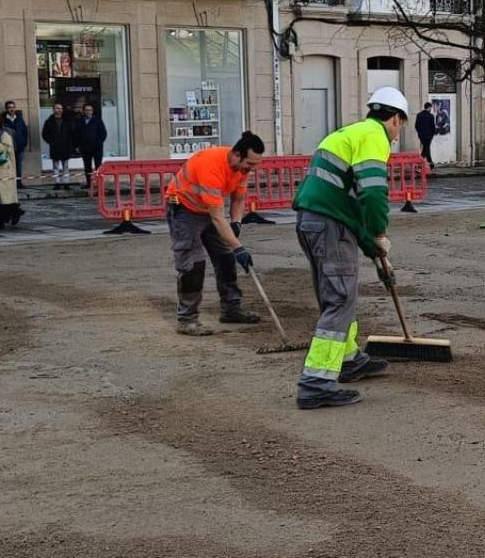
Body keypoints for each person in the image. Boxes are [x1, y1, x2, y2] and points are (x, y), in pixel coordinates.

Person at [291, 87, 407, 409]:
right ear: (396, 119)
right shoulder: (374, 136)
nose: (397, 136)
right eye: (401, 126)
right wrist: (380, 232)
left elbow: (349, 202)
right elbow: (372, 194)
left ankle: (349, 358)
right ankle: (316, 383)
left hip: (314, 220)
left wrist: (372, 247)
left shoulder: (349, 133)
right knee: (340, 298)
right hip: (330, 225)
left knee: (336, 294)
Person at [164, 132, 265, 336]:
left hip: (207, 209)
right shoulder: (211, 166)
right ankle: (187, 320)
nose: (252, 169)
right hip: (183, 207)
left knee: (226, 258)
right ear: (237, 155)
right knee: (193, 264)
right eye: (250, 164)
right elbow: (217, 217)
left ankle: (231, 309)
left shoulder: (241, 169)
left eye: (256, 165)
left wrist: (236, 223)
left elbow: (238, 199)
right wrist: (239, 247)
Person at [42, 103, 78, 189]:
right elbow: (45, 134)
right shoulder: (49, 121)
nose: (59, 110)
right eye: (57, 108)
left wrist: (71, 144)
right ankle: (57, 183)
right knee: (55, 166)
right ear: (53, 109)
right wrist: (51, 142)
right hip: (55, 147)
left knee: (66, 166)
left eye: (61, 108)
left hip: (65, 147)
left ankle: (66, 183)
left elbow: (72, 133)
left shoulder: (67, 120)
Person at [76, 102, 108, 189]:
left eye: (90, 110)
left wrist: (98, 142)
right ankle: (89, 184)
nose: (88, 112)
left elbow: (103, 133)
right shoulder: (80, 121)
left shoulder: (97, 120)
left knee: (98, 166)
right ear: (83, 111)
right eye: (86, 110)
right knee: (87, 167)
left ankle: (99, 184)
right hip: (85, 148)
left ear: (92, 111)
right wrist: (78, 145)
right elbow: (77, 134)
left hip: (97, 148)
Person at [2, 100, 30, 185]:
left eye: (13, 107)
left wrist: (24, 142)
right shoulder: (3, 120)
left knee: (18, 165)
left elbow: (25, 131)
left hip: (19, 146)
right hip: (8, 147)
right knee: (9, 165)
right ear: (6, 109)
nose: (12, 109)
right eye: (9, 107)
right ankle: (10, 183)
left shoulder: (19, 118)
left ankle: (19, 183)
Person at [414, 102, 436, 168]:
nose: (431, 109)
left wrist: (420, 134)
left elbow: (416, 126)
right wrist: (432, 135)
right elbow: (433, 127)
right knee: (426, 149)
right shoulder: (431, 116)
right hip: (429, 136)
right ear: (429, 107)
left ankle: (421, 165)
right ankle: (429, 163)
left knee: (425, 149)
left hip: (422, 136)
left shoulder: (419, 115)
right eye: (431, 108)